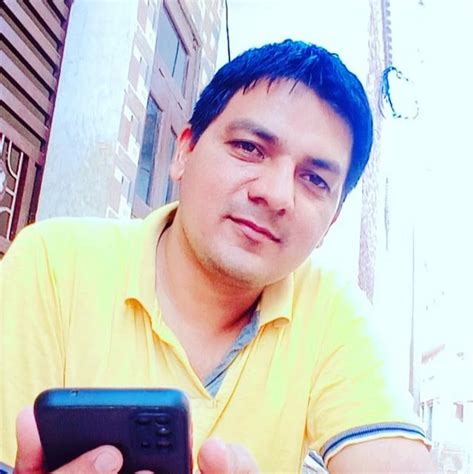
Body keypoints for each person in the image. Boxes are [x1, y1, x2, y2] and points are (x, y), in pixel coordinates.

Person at [0, 39, 434, 473]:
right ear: (184, 152)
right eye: (249, 148)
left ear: (332, 221)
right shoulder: (55, 263)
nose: (276, 194)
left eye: (315, 180)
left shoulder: (330, 311)